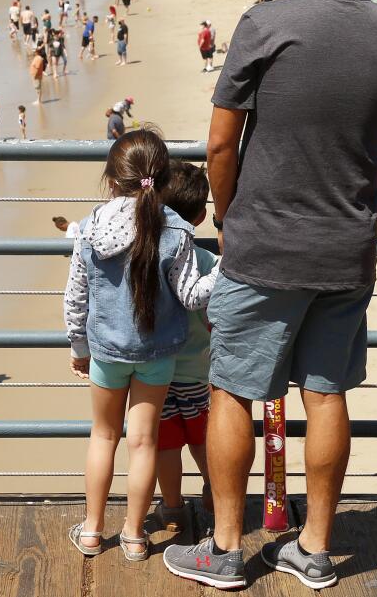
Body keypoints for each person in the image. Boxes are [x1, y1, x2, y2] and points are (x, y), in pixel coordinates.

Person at [165, 0, 377, 590]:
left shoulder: (264, 22)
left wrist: (227, 213)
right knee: (326, 393)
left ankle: (223, 548)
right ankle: (313, 547)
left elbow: (220, 140)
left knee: (232, 390)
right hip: (346, 242)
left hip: (265, 240)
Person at [63, 130, 218, 562]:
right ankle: (134, 536)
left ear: (112, 180)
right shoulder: (176, 229)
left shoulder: (92, 226)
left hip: (106, 352)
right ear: (161, 178)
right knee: (145, 442)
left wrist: (79, 345)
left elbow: (76, 294)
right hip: (157, 355)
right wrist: (225, 268)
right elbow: (191, 296)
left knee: (103, 436)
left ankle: (92, 531)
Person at [154, 160, 220, 532]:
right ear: (200, 217)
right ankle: (214, 490)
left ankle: (174, 507)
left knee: (166, 446)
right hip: (198, 373)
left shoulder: (150, 261)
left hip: (157, 374)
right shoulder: (208, 262)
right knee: (202, 439)